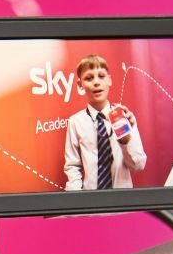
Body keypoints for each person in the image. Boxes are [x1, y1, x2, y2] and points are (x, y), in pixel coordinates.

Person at [62, 54, 145, 190]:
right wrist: (75, 198)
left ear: (109, 80)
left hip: (123, 198)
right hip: (90, 199)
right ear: (80, 84)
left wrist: (126, 142)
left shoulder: (124, 117)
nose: (96, 82)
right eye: (89, 78)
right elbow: (72, 167)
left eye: (101, 76)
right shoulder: (75, 122)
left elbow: (138, 166)